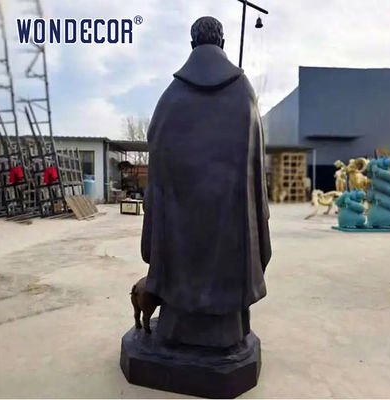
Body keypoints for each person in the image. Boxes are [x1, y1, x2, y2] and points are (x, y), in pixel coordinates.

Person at [141, 16, 271, 348]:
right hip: (231, 217)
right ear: (223, 43)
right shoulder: (243, 91)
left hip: (180, 217)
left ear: (191, 45)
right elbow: (255, 157)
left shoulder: (172, 96)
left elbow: (156, 144)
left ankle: (176, 330)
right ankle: (227, 332)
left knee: (180, 259)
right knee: (229, 259)